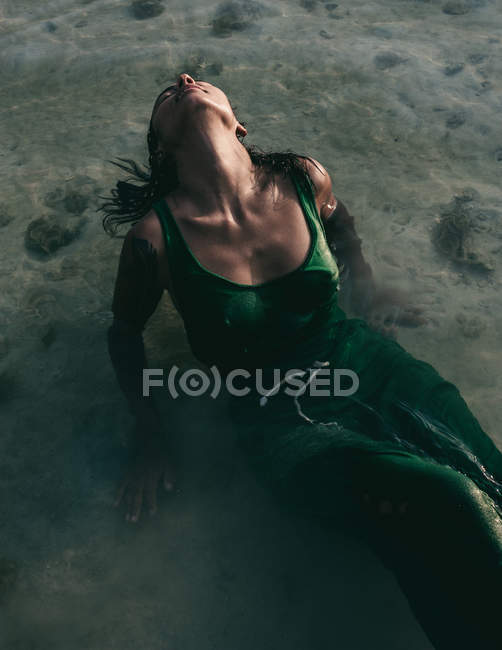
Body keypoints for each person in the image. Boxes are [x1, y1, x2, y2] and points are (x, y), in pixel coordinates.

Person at [101, 73, 502, 649]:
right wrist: (149, 436)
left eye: (198, 78)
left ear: (240, 124)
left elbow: (341, 225)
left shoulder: (302, 178)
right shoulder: (153, 240)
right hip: (281, 421)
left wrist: (367, 286)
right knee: (443, 496)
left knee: (489, 478)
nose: (185, 80)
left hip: (373, 366)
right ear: (162, 147)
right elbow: (124, 335)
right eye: (166, 92)